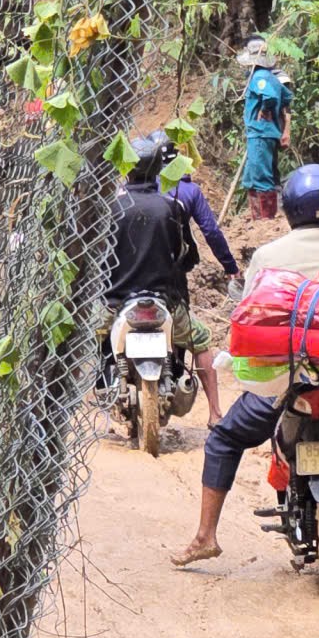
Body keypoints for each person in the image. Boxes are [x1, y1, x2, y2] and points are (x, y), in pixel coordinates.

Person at [171, 164, 319, 568]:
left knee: (224, 440)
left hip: (283, 383)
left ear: (289, 207)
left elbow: (250, 310)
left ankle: (205, 536)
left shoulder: (269, 255)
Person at [104, 136, 223, 427]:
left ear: (126, 169)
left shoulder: (111, 209)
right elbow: (188, 254)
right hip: (165, 300)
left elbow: (100, 259)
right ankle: (215, 413)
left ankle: (103, 385)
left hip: (117, 301)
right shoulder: (171, 207)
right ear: (159, 169)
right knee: (203, 342)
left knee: (96, 339)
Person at [143, 130, 242, 292]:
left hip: (141, 258)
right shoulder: (190, 190)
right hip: (176, 259)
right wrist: (230, 267)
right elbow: (211, 231)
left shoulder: (138, 190)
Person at [238, 35, 293, 220]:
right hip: (263, 134)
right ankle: (256, 219)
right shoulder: (271, 77)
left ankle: (266, 221)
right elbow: (286, 97)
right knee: (251, 176)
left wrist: (265, 109)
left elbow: (269, 97)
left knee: (262, 176)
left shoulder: (260, 77)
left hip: (260, 134)